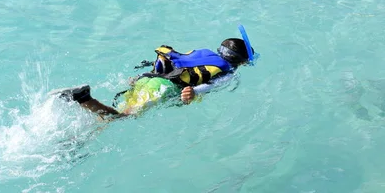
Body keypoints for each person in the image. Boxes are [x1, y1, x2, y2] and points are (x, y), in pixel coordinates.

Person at [50, 25, 257, 118]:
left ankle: (75, 144)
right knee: (125, 117)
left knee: (115, 114)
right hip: (164, 87)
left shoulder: (203, 53)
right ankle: (83, 98)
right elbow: (213, 85)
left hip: (149, 78)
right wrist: (194, 93)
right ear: (240, 61)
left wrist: (141, 75)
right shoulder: (229, 72)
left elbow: (173, 62)